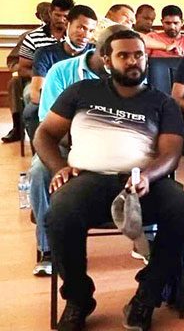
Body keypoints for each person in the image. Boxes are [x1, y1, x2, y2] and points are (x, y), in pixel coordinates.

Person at [36, 29, 184, 331]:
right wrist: (58, 167)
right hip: (88, 180)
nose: (133, 61)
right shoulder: (82, 92)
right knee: (59, 215)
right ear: (107, 60)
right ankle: (79, 298)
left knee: (182, 209)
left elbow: (171, 152)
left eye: (138, 55)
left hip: (140, 182)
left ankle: (147, 295)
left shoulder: (162, 103)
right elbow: (45, 134)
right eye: (123, 55)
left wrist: (148, 176)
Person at [28, 24, 123, 278]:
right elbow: (47, 124)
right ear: (104, 54)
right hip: (63, 143)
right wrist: (80, 151)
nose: (128, 61)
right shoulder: (62, 72)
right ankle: (48, 249)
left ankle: (146, 237)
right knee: (39, 172)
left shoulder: (129, 74)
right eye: (120, 55)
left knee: (144, 168)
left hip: (111, 145)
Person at [24, 5, 97, 141]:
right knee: (32, 111)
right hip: (55, 109)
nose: (86, 35)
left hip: (88, 112)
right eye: (81, 27)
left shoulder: (96, 54)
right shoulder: (46, 53)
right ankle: (42, 149)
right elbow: (36, 93)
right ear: (67, 24)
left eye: (91, 30)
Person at [3, 1, 52, 143]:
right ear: (39, 16)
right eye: (46, 14)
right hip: (34, 77)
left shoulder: (68, 35)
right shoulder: (29, 36)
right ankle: (18, 127)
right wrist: (36, 72)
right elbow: (13, 62)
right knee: (14, 82)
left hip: (58, 76)